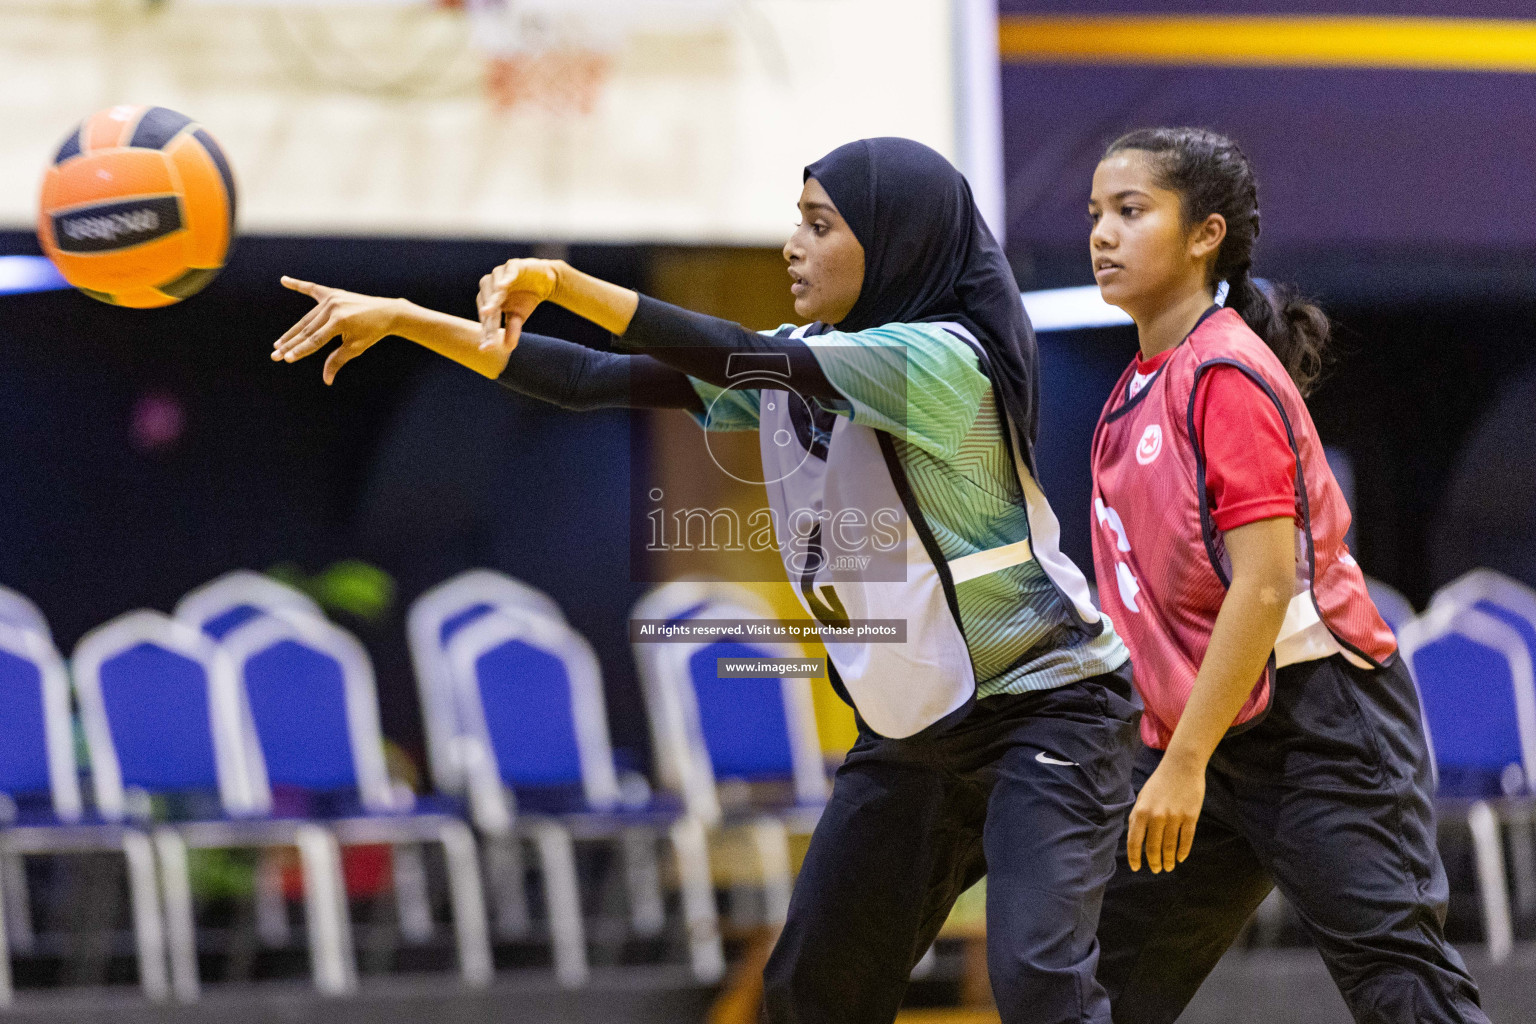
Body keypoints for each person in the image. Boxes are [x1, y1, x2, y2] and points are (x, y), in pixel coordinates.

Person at [273, 137, 1138, 1024]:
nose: (792, 246)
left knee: (1037, 983)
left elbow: (733, 356)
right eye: (795, 223)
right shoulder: (802, 362)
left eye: (819, 225)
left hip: (1047, 707)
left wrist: (570, 285)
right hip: (915, 736)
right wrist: (406, 318)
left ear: (896, 243)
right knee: (811, 994)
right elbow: (587, 377)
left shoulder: (940, 362)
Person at [1083, 126, 1489, 1024]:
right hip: (1211, 730)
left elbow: (1263, 587)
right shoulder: (1132, 393)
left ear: (1205, 235)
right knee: (1098, 988)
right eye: (1096, 214)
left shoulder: (1225, 372)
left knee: (1406, 995)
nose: (1102, 234)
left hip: (1321, 725)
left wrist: (1182, 760)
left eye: (1131, 211)